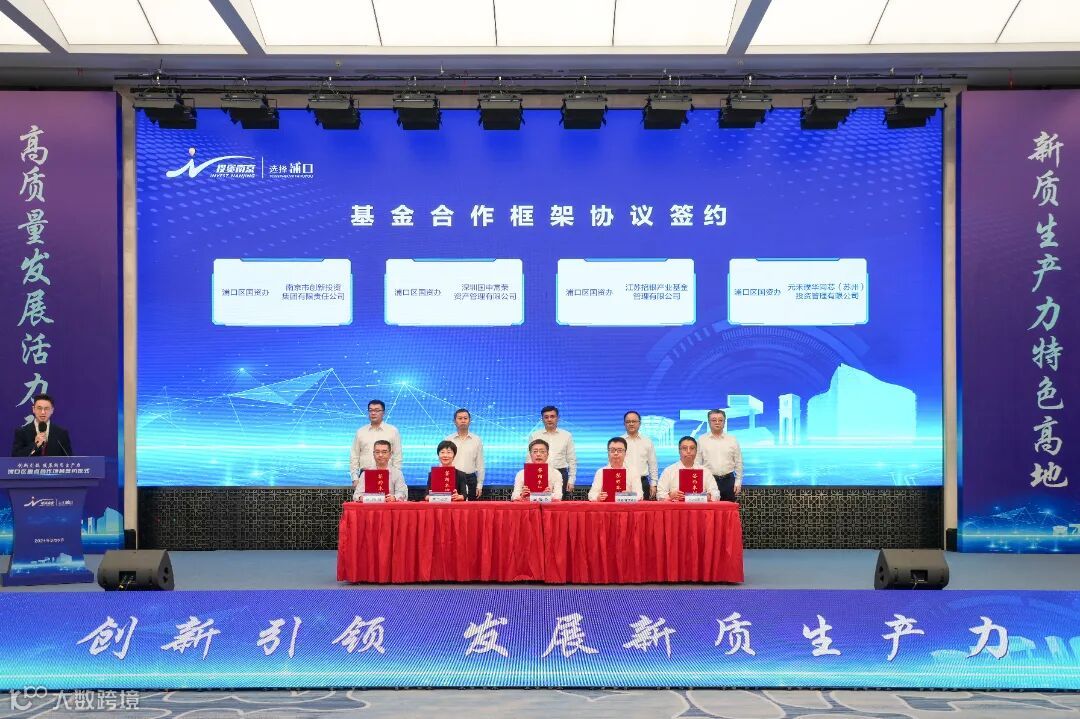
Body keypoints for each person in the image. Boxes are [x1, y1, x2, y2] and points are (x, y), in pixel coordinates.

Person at [528, 405, 576, 499]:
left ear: (558, 418)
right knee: (538, 502)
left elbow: (571, 459)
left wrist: (571, 480)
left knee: (558, 502)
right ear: (542, 419)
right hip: (539, 473)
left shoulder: (567, 435)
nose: (549, 419)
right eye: (546, 417)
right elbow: (529, 457)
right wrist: (529, 478)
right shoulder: (534, 435)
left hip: (561, 472)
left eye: (552, 416)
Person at [697, 409, 744, 501]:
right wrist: (700, 483)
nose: (717, 422)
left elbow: (739, 462)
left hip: (728, 481)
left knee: (728, 508)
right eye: (714, 420)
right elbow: (697, 463)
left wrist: (738, 481)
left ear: (724, 422)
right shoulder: (701, 440)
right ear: (709, 422)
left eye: (720, 420)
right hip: (709, 481)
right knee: (710, 509)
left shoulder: (732, 440)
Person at [350, 400, 402, 481]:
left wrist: (396, 478)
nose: (373, 413)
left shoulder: (393, 431)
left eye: (377, 410)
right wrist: (355, 478)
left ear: (383, 413)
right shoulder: (360, 432)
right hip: (365, 475)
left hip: (387, 475)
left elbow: (397, 456)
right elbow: (354, 456)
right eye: (371, 410)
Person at [657, 436, 721, 501]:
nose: (688, 451)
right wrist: (670, 496)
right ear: (679, 451)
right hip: (676, 506)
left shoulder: (705, 471)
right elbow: (659, 495)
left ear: (696, 451)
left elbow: (716, 494)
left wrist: (708, 496)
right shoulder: (669, 471)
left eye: (692, 448)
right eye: (684, 448)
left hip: (699, 506)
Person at [12, 393, 72, 457]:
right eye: (39, 408)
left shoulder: (61, 433)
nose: (43, 412)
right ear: (33, 409)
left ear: (52, 410)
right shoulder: (22, 432)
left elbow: (69, 459)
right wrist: (35, 445)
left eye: (46, 408)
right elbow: (15, 458)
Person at [444, 408, 483, 501]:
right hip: (452, 478)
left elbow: (480, 464)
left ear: (470, 421)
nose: (463, 421)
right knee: (452, 507)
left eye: (465, 418)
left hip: (470, 479)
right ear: (454, 421)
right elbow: (443, 461)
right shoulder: (448, 439)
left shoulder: (476, 440)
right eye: (460, 418)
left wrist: (480, 485)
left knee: (470, 508)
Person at [588, 437, 643, 502]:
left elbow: (640, 494)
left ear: (625, 453)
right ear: (608, 453)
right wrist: (597, 497)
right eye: (612, 450)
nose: (616, 453)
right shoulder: (600, 472)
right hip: (607, 507)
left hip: (626, 506)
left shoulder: (633, 471)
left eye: (620, 450)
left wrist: (629, 496)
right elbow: (591, 494)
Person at [622, 410, 659, 500]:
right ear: (624, 424)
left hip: (643, 482)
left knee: (642, 507)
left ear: (639, 423)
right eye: (628, 422)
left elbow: (652, 464)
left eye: (634, 421)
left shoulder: (647, 441)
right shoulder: (619, 441)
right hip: (623, 482)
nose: (631, 424)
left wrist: (654, 484)